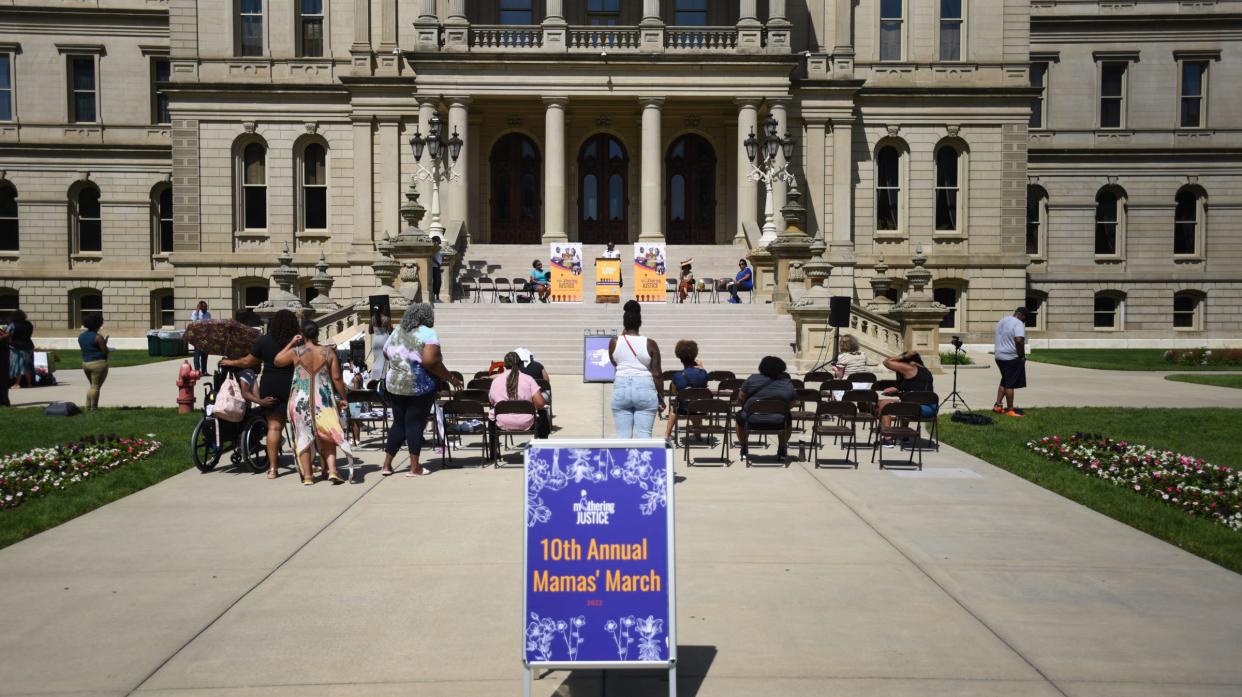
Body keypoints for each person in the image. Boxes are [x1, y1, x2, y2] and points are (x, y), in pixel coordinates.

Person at [381, 303, 462, 477]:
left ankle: (386, 465)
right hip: (418, 386)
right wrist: (451, 378)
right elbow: (430, 362)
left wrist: (401, 361)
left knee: (399, 423)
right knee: (415, 424)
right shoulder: (428, 333)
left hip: (395, 385)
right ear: (426, 316)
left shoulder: (398, 331)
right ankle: (414, 467)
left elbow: (386, 352)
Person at [220, 309, 300, 479]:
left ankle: (272, 469)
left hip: (270, 385)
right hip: (293, 385)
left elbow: (247, 361)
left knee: (274, 427)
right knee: (298, 427)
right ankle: (304, 463)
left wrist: (229, 361)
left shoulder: (264, 341)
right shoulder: (297, 342)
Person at [275, 320, 351, 486]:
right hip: (323, 399)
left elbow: (277, 360)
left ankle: (308, 476)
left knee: (303, 436)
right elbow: (337, 378)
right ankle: (332, 470)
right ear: (317, 334)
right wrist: (343, 397)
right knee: (329, 434)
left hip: (300, 400)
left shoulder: (296, 351)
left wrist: (291, 343)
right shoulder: (328, 352)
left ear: (302, 334)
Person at [608, 300, 664, 438]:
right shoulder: (650, 344)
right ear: (640, 323)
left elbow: (614, 363)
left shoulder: (614, 342)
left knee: (622, 437)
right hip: (645, 387)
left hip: (621, 386)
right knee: (644, 436)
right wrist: (661, 397)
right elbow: (657, 374)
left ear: (624, 323)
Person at [734, 356, 797, 461]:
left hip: (751, 419)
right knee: (788, 417)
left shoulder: (752, 379)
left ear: (761, 367)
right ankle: (782, 448)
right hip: (778, 420)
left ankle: (744, 447)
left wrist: (748, 407)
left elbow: (740, 399)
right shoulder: (787, 383)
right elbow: (791, 404)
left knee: (739, 417)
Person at [877, 351, 936, 447]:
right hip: (931, 409)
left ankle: (888, 439)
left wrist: (901, 357)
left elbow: (886, 362)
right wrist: (897, 388)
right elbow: (916, 387)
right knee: (905, 402)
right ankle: (904, 436)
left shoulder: (910, 368)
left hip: (918, 409)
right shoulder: (923, 370)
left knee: (883, 404)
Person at [489, 351, 546, 434]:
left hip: (502, 422)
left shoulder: (496, 381)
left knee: (491, 416)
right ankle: (541, 444)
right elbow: (540, 403)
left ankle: (493, 446)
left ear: (504, 365)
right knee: (543, 413)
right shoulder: (528, 379)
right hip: (527, 422)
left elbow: (492, 401)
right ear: (520, 364)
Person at [664, 339, 708, 442]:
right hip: (699, 406)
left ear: (680, 358)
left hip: (683, 407)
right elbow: (704, 388)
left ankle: (667, 434)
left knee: (675, 409)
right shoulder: (703, 373)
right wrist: (701, 368)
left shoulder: (677, 376)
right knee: (694, 407)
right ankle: (698, 435)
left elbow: (675, 393)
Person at [993, 307, 1028, 418]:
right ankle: (1010, 410)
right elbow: (1018, 340)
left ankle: (998, 406)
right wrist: (1022, 355)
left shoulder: (1002, 320)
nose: (1024, 321)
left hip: (999, 356)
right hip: (1011, 357)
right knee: (1010, 384)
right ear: (1022, 315)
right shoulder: (1018, 323)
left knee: (1005, 380)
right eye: (1025, 318)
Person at [78, 313, 110, 409]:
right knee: (96, 387)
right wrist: (105, 344)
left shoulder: (81, 336)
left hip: (85, 363)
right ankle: (94, 407)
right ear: (98, 324)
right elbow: (105, 351)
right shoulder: (98, 337)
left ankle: (87, 406)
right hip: (98, 363)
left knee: (92, 386)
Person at [7, 309, 34, 389]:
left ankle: (17, 383)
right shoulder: (29, 324)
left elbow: (7, 333)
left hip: (16, 346)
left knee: (17, 365)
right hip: (28, 345)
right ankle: (29, 383)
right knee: (26, 365)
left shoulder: (13, 325)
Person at [368, 313, 392, 390]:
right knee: (384, 361)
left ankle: (374, 380)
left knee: (376, 361)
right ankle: (382, 382)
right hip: (384, 339)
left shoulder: (372, 318)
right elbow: (390, 331)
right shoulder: (386, 319)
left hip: (376, 340)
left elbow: (370, 331)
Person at [190, 301, 212, 373]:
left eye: (206, 307)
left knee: (205, 354)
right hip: (198, 337)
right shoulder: (195, 313)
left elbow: (210, 324)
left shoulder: (208, 314)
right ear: (200, 307)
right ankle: (197, 370)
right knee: (197, 353)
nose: (206, 308)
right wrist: (197, 311)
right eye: (204, 307)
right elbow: (193, 323)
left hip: (206, 336)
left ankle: (204, 371)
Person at [430, 236, 444, 303]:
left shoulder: (439, 248)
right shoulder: (433, 248)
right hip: (434, 266)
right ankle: (434, 296)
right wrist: (438, 263)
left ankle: (437, 296)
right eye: (438, 240)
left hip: (438, 266)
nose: (440, 241)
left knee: (439, 282)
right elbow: (432, 257)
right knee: (436, 282)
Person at [0, 321, 10, 407]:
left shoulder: (2, 330)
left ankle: (4, 401)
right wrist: (4, 337)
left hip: (3, 356)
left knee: (3, 381)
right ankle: (4, 401)